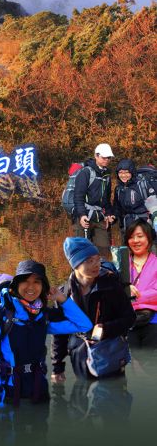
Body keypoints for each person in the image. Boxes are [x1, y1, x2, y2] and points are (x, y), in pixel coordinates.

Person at [0, 260, 92, 407]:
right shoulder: (1, 314)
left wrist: (61, 298)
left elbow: (84, 324)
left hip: (39, 388)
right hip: (9, 391)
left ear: (43, 286)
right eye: (25, 281)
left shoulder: (42, 315)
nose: (31, 287)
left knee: (40, 428)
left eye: (37, 282)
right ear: (16, 285)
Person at [51, 237, 136, 381]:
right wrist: (57, 367)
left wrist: (106, 329)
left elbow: (130, 318)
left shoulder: (110, 285)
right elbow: (60, 334)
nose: (96, 265)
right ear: (75, 264)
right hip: (80, 355)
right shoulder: (64, 293)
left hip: (110, 353)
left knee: (113, 396)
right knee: (82, 398)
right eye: (89, 261)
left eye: (97, 259)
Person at [73, 143, 115, 253]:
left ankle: (102, 270)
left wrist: (109, 214)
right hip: (85, 216)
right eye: (104, 157)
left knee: (104, 250)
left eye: (108, 158)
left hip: (99, 217)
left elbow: (106, 199)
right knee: (82, 253)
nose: (106, 160)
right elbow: (78, 196)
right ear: (96, 156)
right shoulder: (86, 172)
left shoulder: (107, 175)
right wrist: (82, 215)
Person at [125, 220, 157, 348]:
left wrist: (134, 295)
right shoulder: (120, 265)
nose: (136, 241)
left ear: (149, 238)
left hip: (153, 321)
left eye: (140, 236)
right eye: (131, 237)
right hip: (128, 321)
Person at [113, 159, 149, 237]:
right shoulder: (118, 188)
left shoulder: (141, 186)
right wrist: (114, 216)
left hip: (144, 226)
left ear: (132, 172)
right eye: (120, 172)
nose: (123, 175)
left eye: (126, 172)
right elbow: (117, 207)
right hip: (127, 226)